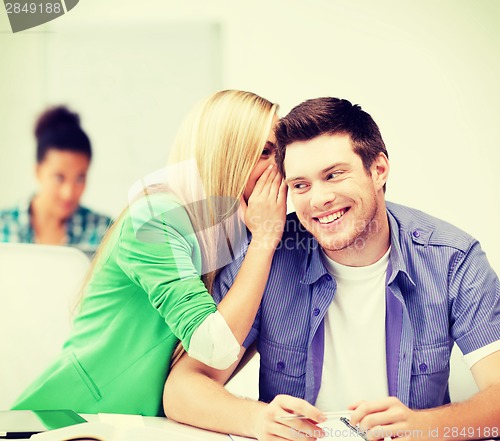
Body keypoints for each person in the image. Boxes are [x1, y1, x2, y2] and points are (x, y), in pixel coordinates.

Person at [164, 97, 500, 440]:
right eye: (300, 185)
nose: (318, 199)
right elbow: (182, 387)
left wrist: (423, 428)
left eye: (334, 175)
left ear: (378, 170)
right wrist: (257, 419)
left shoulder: (452, 258)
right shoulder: (265, 256)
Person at [12, 90, 287, 416]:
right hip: (69, 419)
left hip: (138, 424)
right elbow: (214, 348)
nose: (279, 167)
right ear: (226, 153)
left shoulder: (232, 232)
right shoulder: (155, 216)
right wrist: (265, 240)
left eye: (280, 153)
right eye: (266, 151)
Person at [0, 106, 112, 256]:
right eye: (59, 178)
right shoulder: (4, 225)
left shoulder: (104, 231)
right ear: (38, 172)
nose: (69, 193)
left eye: (80, 178)